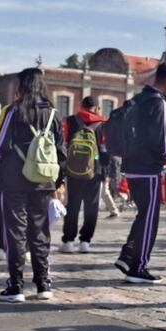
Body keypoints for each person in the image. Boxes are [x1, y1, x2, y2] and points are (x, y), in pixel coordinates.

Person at [0, 68, 66, 302]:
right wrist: (58, 181)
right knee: (40, 231)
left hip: (14, 179)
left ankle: (15, 285)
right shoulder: (54, 114)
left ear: (22, 86)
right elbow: (61, 152)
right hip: (43, 180)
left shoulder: (15, 112)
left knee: (15, 231)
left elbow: (1, 145)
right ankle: (43, 283)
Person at [114, 62, 166, 284]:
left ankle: (127, 256)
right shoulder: (158, 103)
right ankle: (139, 266)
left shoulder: (139, 99)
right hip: (148, 169)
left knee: (143, 215)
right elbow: (161, 138)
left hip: (131, 166)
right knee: (150, 218)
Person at [60, 96, 108, 254]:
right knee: (91, 207)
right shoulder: (102, 123)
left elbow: (63, 144)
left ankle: (68, 241)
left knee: (72, 205)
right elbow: (104, 149)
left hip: (73, 170)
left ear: (82, 106)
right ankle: (85, 241)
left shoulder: (70, 120)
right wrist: (105, 171)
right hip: (95, 170)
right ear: (95, 108)